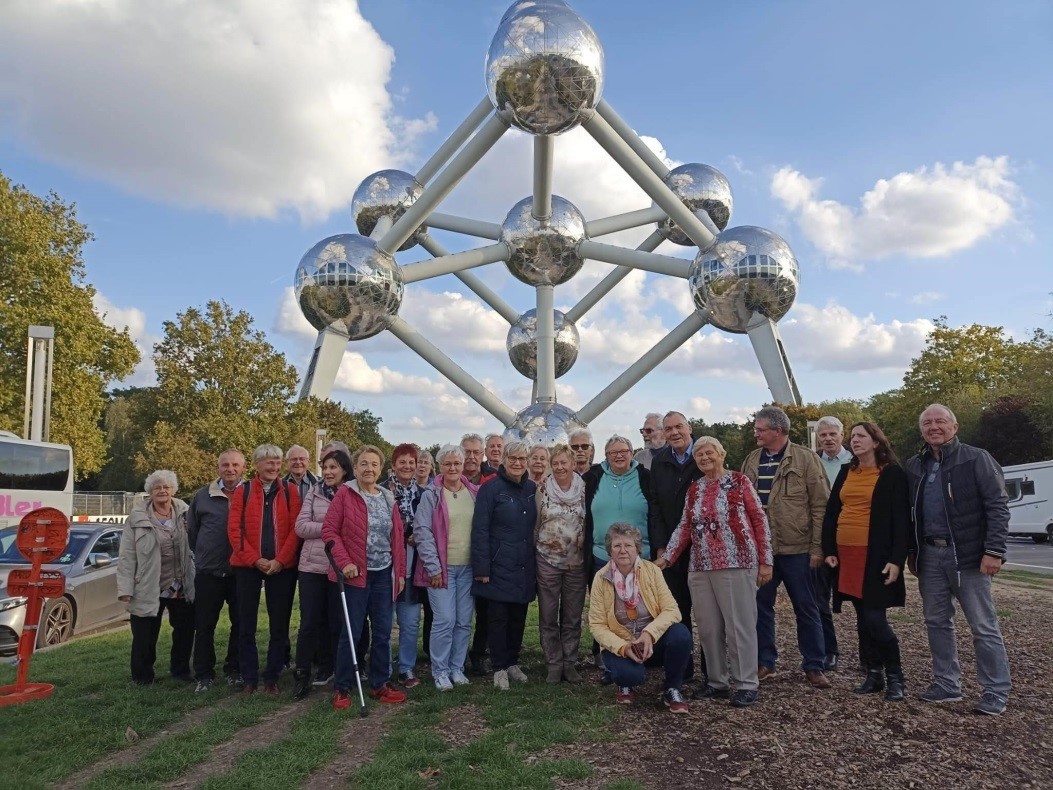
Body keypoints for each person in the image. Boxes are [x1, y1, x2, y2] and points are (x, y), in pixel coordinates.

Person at [905, 404, 1011, 716]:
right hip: (930, 556)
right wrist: (912, 552)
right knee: (936, 621)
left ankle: (995, 690)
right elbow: (911, 513)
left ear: (955, 426)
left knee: (982, 624)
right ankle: (947, 684)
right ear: (922, 429)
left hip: (968, 556)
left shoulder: (977, 459)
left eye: (940, 421)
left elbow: (997, 505)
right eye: (927, 422)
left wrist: (994, 551)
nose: (933, 427)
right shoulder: (915, 465)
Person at [657, 437, 772, 707]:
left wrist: (766, 560)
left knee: (739, 626)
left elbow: (759, 519)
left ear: (721, 454)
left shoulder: (740, 482)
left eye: (709, 453)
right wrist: (668, 557)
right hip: (700, 565)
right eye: (699, 455)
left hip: (737, 562)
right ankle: (717, 682)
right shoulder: (695, 488)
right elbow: (685, 526)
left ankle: (745, 683)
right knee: (708, 628)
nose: (704, 458)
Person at [742, 407, 832, 689]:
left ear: (777, 431)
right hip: (763, 551)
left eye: (760, 429)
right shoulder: (751, 461)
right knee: (760, 606)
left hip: (798, 548)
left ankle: (814, 665)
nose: (756, 433)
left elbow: (820, 506)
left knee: (807, 606)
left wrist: (817, 547)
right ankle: (764, 662)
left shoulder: (806, 460)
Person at [822, 422, 910, 702]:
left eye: (861, 436)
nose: (855, 440)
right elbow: (832, 511)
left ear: (876, 442)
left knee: (875, 619)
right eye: (853, 437)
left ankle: (896, 677)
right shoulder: (848, 471)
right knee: (862, 619)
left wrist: (897, 560)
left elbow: (901, 521)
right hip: (846, 554)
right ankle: (874, 674)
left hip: (875, 557)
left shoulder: (892, 474)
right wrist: (828, 549)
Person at [323, 445, 408, 708]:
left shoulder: (387, 497)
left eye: (374, 464)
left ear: (380, 469)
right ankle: (343, 687)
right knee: (352, 632)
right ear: (355, 468)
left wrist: (400, 573)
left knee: (383, 632)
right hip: (355, 576)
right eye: (363, 464)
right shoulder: (345, 495)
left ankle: (380, 684)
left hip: (384, 574)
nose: (369, 469)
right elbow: (329, 531)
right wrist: (345, 562)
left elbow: (397, 538)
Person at [589, 523, 691, 713]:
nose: (623, 550)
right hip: (621, 644)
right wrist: (624, 647)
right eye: (617, 546)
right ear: (610, 550)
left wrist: (649, 633)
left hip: (650, 641)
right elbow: (597, 625)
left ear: (637, 548)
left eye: (628, 545)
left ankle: (672, 688)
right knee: (631, 676)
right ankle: (625, 682)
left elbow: (672, 610)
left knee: (681, 634)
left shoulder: (651, 571)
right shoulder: (601, 578)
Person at [227, 444, 302, 695]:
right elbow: (234, 531)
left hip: (282, 566)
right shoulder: (243, 491)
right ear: (257, 464)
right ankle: (249, 677)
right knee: (245, 623)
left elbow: (295, 530)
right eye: (269, 462)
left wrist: (280, 560)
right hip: (248, 566)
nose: (274, 467)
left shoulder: (291, 492)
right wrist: (255, 559)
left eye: (278, 462)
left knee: (278, 624)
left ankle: (272, 677)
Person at [118, 470, 195, 686]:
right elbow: (127, 555)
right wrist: (125, 588)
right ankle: (142, 676)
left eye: (166, 487)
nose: (162, 491)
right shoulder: (137, 518)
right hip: (148, 583)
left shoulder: (186, 512)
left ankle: (180, 670)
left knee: (185, 630)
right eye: (157, 487)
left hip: (180, 582)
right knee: (145, 634)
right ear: (150, 491)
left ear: (173, 490)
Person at [414, 445, 481, 690]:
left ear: (463, 465)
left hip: (468, 568)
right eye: (447, 464)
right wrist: (433, 568)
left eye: (457, 463)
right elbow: (422, 532)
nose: (453, 468)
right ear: (439, 466)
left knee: (464, 621)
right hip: (441, 569)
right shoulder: (431, 494)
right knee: (445, 619)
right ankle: (440, 670)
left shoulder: (474, 492)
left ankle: (457, 667)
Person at [472, 440, 538, 691]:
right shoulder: (490, 490)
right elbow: (480, 530)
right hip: (498, 564)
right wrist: (482, 568)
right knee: (497, 618)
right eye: (513, 458)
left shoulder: (532, 488)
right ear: (504, 460)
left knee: (518, 617)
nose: (518, 463)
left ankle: (513, 662)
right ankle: (498, 666)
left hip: (523, 563)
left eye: (523, 459)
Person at [292, 448, 353, 699]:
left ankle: (336, 670)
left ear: (344, 471)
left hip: (340, 566)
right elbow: (301, 526)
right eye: (325, 467)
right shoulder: (314, 492)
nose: (327, 472)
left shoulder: (352, 493)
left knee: (337, 622)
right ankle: (302, 673)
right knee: (309, 623)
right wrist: (330, 528)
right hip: (312, 567)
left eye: (333, 468)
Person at [648, 411, 704, 683]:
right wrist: (661, 547)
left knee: (707, 614)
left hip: (705, 550)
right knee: (677, 611)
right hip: (671, 551)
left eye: (678, 427)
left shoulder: (704, 455)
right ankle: (683, 670)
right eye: (668, 429)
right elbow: (655, 507)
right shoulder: (660, 462)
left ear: (689, 427)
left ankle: (712, 671)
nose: (674, 433)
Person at [187, 450, 244, 692]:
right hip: (209, 572)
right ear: (218, 467)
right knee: (204, 625)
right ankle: (204, 674)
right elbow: (193, 532)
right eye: (225, 465)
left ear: (243, 467)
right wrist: (204, 555)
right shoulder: (202, 496)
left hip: (241, 572)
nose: (230, 469)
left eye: (234, 465)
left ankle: (234, 669)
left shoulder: (250, 493)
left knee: (240, 624)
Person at [535, 443, 587, 684]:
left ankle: (570, 663)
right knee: (548, 615)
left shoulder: (585, 488)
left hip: (576, 562)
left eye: (563, 462)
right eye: (554, 463)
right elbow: (536, 523)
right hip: (547, 560)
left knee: (572, 615)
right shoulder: (542, 490)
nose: (559, 467)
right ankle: (553, 664)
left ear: (573, 464)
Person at [815, 415, 852, 671]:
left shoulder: (855, 461)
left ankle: (868, 655)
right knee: (819, 599)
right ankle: (829, 649)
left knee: (863, 600)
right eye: (823, 435)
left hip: (850, 537)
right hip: (820, 539)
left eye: (832, 434)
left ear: (842, 435)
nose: (828, 439)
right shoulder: (812, 463)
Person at [387, 443, 426, 688]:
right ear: (393, 466)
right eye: (402, 462)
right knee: (383, 621)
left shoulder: (424, 494)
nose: (407, 466)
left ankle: (406, 667)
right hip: (385, 566)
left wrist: (418, 537)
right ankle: (382, 666)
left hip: (412, 567)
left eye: (411, 462)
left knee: (410, 622)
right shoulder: (382, 492)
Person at [461, 432, 496, 674]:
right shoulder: (447, 479)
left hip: (485, 554)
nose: (471, 457)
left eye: (476, 452)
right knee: (454, 611)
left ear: (482, 454)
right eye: (467, 452)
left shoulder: (492, 480)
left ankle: (478, 653)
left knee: (484, 611)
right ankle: (454, 654)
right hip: (456, 554)